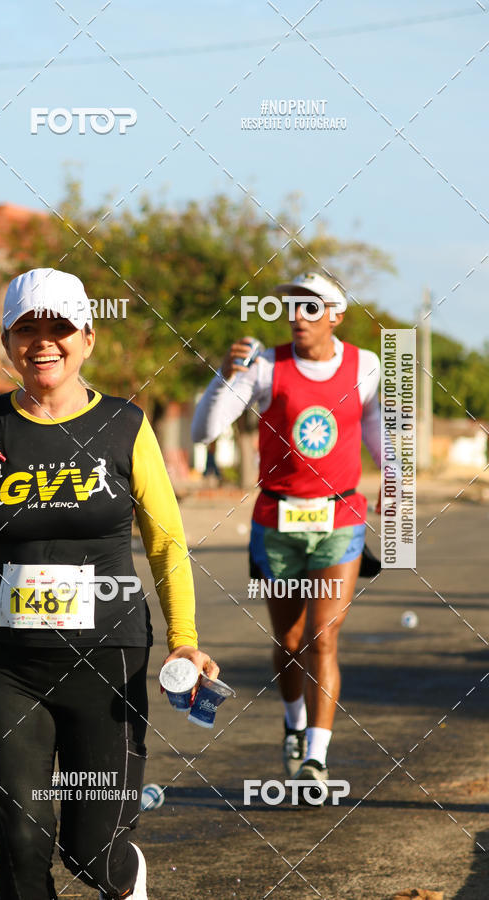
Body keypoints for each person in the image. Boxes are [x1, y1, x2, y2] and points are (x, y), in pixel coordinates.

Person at [0, 267, 219, 899]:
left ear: (87, 339)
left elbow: (165, 540)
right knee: (20, 841)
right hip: (10, 666)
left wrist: (184, 638)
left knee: (93, 854)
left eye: (59, 327)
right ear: (6, 341)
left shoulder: (125, 425)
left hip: (107, 662)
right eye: (26, 328)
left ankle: (127, 876)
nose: (43, 341)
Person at [192, 272, 381, 789]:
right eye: (291, 307)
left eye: (310, 307)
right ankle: (294, 723)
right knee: (290, 640)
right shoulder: (265, 365)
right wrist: (225, 374)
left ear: (336, 315)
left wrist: (398, 482)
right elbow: (204, 432)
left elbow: (372, 430)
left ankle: (317, 758)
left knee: (323, 638)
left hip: (339, 518)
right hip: (276, 519)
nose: (297, 316)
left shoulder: (366, 365)